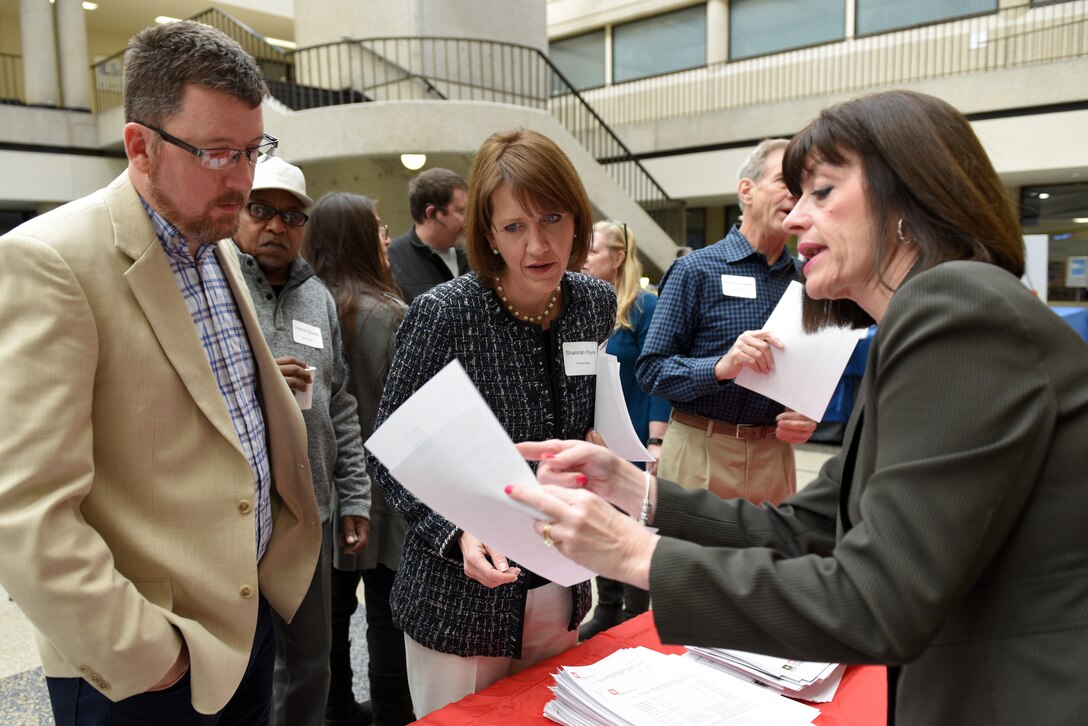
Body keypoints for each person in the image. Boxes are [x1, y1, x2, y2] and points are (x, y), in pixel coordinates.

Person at [507, 90, 1088, 726]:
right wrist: (634, 491)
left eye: (822, 192)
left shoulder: (957, 309)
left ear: (909, 196)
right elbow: (808, 528)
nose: (793, 219)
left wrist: (632, 555)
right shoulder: (936, 313)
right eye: (794, 194)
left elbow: (875, 600)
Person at [0, 21, 321, 723]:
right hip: (148, 663)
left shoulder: (216, 243)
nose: (242, 179)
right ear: (140, 145)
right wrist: (148, 656)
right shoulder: (51, 261)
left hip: (245, 623)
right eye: (215, 153)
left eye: (253, 149)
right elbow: (24, 512)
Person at [368, 128, 616, 717]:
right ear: (487, 233)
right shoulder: (446, 314)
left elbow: (591, 410)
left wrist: (598, 445)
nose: (538, 244)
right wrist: (451, 531)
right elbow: (389, 450)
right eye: (514, 227)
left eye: (553, 218)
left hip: (560, 576)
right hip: (463, 591)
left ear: (578, 220)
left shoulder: (592, 303)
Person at [233, 159, 372, 726]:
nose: (276, 226)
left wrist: (355, 495)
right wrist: (258, 377)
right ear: (236, 212)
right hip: (234, 515)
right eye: (260, 210)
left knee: (311, 661)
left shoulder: (316, 296)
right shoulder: (217, 287)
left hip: (307, 511)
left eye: (292, 216)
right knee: (241, 667)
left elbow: (339, 401)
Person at [635, 139, 816, 505]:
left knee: (771, 562)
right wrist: (720, 366)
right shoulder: (695, 270)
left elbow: (813, 371)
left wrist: (808, 413)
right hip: (699, 450)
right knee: (689, 561)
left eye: (804, 187)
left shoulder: (808, 280)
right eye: (785, 182)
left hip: (775, 456)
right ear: (746, 190)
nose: (795, 195)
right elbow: (652, 370)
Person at [304, 192, 416, 726]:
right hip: (390, 488)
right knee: (387, 618)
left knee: (327, 619)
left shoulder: (306, 306)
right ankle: (394, 714)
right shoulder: (392, 314)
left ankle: (337, 713)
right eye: (376, 228)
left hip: (323, 488)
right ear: (357, 237)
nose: (386, 237)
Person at [577, 220, 670, 640]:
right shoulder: (578, 307)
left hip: (634, 436)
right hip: (596, 437)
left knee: (634, 529)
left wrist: (656, 440)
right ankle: (608, 606)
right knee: (600, 523)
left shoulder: (644, 308)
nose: (583, 258)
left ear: (616, 258)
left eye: (592, 250)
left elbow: (655, 379)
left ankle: (636, 614)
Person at [386, 167, 469, 304]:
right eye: (461, 211)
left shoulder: (472, 255)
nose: (468, 219)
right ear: (432, 214)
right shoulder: (392, 260)